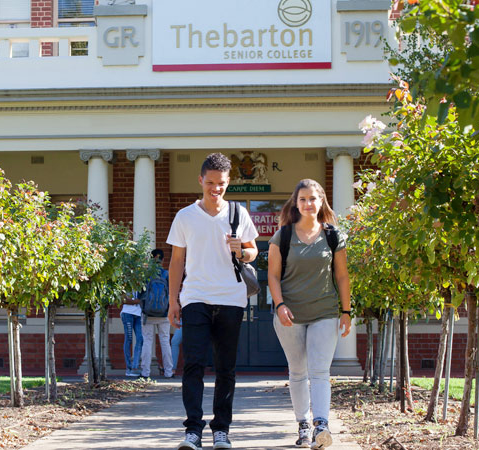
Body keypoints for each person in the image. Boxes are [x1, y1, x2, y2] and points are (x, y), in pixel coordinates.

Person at [167, 153, 259, 450]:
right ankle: (193, 430)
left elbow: (253, 251)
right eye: (210, 183)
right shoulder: (185, 216)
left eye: (221, 184)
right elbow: (177, 261)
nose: (215, 189)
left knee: (225, 368)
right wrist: (173, 300)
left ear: (227, 182)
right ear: (200, 181)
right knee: (192, 365)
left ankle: (221, 430)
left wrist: (242, 252)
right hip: (195, 298)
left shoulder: (238, 214)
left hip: (231, 299)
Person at [267, 179, 351, 450]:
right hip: (289, 315)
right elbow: (273, 276)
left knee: (319, 371)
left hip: (325, 312)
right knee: (298, 371)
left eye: (313, 198)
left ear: (321, 200)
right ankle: (303, 423)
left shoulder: (332, 235)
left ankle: (321, 426)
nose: (308, 204)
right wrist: (280, 305)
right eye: (302, 199)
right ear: (296, 203)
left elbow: (342, 276)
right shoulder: (283, 236)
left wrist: (346, 311)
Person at [139, 249, 173, 379]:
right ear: (163, 260)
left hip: (148, 313)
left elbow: (141, 293)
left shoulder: (147, 275)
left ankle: (145, 372)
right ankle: (169, 372)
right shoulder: (166, 274)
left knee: (147, 341)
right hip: (164, 313)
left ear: (151, 259)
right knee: (165, 341)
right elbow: (170, 293)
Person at [121, 284, 143, 378]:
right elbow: (123, 300)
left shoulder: (141, 283)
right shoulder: (126, 282)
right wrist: (136, 301)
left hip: (138, 314)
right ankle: (128, 367)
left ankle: (135, 366)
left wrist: (134, 301)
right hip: (127, 313)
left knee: (140, 339)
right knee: (129, 339)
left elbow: (143, 299)